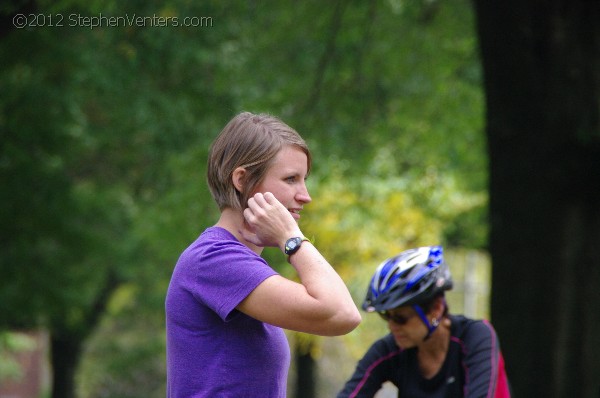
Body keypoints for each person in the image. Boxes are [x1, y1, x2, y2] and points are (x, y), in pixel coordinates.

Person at [165, 111, 361, 398]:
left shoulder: (242, 265)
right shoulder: (213, 260)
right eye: (291, 179)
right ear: (242, 180)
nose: (305, 195)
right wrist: (291, 238)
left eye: (304, 179)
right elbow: (341, 314)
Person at [337, 246, 511, 398]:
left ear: (436, 308)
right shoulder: (389, 350)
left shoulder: (475, 337)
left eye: (400, 318)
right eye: (386, 316)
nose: (391, 326)